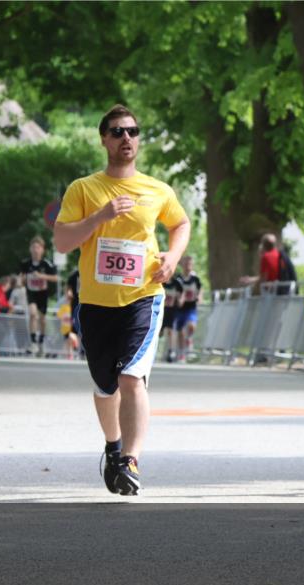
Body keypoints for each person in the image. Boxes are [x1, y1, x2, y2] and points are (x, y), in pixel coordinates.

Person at [53, 104, 190, 496]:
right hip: (96, 303)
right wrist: (100, 216)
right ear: (104, 139)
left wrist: (173, 256)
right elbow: (62, 242)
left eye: (132, 131)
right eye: (117, 132)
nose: (126, 137)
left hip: (142, 297)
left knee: (131, 377)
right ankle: (113, 447)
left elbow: (180, 223)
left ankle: (130, 459)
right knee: (104, 386)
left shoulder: (158, 190)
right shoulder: (83, 189)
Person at [18, 236, 59, 356]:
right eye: (34, 247)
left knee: (42, 319)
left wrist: (41, 276)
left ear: (42, 250)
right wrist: (22, 280)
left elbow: (56, 278)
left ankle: (41, 341)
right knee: (33, 314)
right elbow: (21, 277)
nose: (36, 250)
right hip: (31, 292)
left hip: (43, 293)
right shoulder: (25, 263)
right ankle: (33, 342)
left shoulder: (46, 264)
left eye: (38, 248)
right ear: (30, 249)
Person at [174, 255, 202, 362]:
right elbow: (175, 290)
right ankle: (182, 354)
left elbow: (200, 289)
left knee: (191, 326)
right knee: (180, 331)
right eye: (186, 264)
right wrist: (179, 298)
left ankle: (189, 339)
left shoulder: (195, 278)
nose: (188, 266)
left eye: (190, 264)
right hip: (180, 308)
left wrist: (199, 298)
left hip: (191, 307)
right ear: (182, 265)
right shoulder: (178, 278)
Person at [161, 275, 183, 363]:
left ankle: (171, 351)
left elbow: (181, 294)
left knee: (171, 331)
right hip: (161, 309)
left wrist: (180, 300)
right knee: (159, 332)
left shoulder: (177, 283)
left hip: (172, 310)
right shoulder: (161, 281)